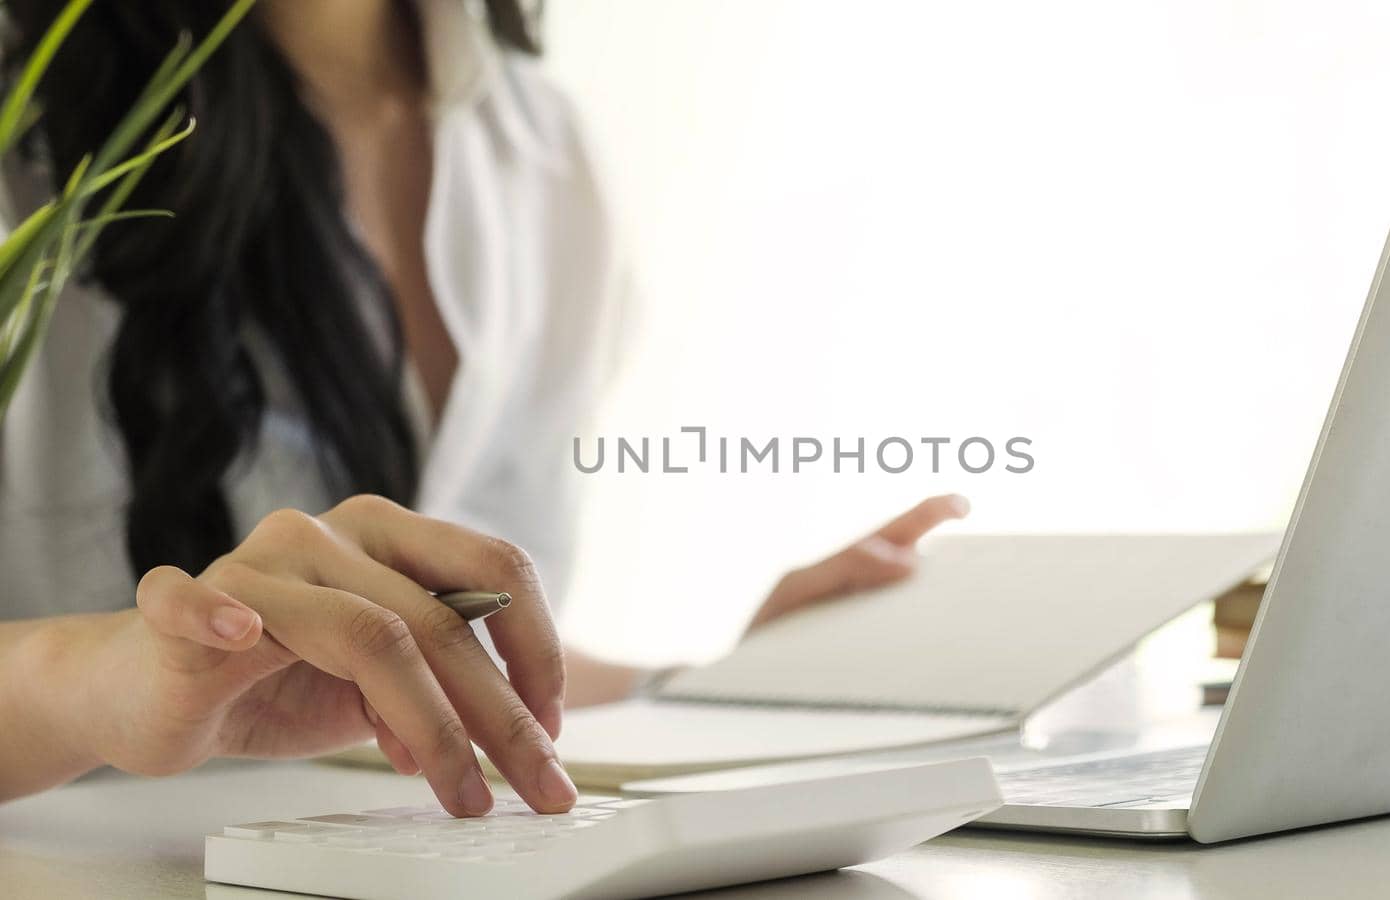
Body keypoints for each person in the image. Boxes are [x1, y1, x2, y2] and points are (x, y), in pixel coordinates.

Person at [0, 1, 966, 815]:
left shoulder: (543, 156)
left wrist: (706, 689)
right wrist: (96, 679)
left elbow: (427, 653)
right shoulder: (22, 145)